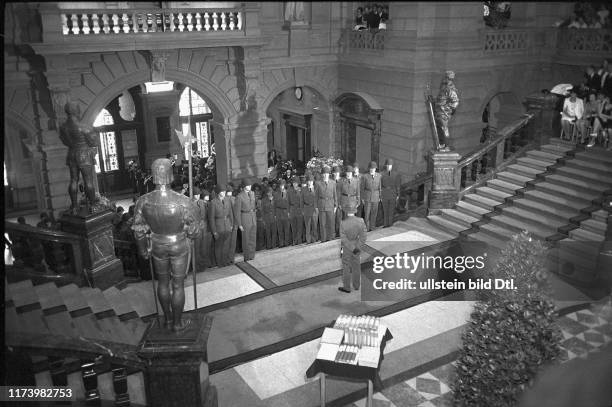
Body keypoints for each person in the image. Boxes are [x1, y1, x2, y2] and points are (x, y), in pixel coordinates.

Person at [132, 158, 199, 332]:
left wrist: (142, 249)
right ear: (170, 175)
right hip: (178, 245)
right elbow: (194, 231)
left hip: (157, 246)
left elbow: (138, 230)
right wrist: (187, 230)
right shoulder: (183, 201)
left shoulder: (143, 201)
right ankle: (177, 324)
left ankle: (168, 320)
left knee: (162, 283)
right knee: (177, 285)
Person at [59, 101, 99, 214]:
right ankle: (93, 205)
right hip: (84, 154)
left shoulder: (63, 127)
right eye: (78, 108)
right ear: (76, 111)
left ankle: (74, 206)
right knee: (88, 181)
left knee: (73, 180)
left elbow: (65, 141)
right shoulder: (84, 127)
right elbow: (94, 142)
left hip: (72, 153)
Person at [338, 204, 367, 293]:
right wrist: (357, 247)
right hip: (357, 246)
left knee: (346, 266)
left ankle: (347, 287)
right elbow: (363, 236)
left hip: (347, 247)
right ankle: (356, 285)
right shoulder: (361, 221)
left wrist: (351, 247)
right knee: (356, 266)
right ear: (355, 211)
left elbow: (343, 239)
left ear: (346, 212)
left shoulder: (343, 223)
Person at [434, 71, 460, 151]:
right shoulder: (443, 88)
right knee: (440, 129)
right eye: (445, 78)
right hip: (439, 112)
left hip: (444, 113)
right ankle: (443, 144)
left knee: (444, 128)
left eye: (447, 78)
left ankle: (447, 146)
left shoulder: (450, 90)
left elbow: (455, 102)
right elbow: (441, 100)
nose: (444, 80)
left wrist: (446, 108)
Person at [209, 184, 234, 267]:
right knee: (219, 246)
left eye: (224, 191)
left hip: (227, 225)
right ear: (218, 192)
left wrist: (231, 224)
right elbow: (211, 218)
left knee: (226, 246)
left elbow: (230, 213)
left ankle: (225, 261)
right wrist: (214, 231)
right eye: (222, 191)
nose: (224, 193)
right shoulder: (213, 202)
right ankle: (219, 263)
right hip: (218, 226)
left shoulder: (227, 200)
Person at [234, 179, 257, 261]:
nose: (249, 187)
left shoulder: (252, 193)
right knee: (246, 239)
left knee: (253, 238)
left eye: (250, 185)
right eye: (248, 185)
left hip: (253, 217)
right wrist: (239, 224)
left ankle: (252, 255)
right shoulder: (239, 196)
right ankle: (247, 257)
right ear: (243, 187)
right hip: (245, 217)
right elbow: (237, 212)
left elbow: (254, 206)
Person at [315, 165, 338, 242]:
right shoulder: (318, 184)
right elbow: (316, 196)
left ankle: (331, 237)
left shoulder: (333, 183)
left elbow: (335, 194)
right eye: (324, 174)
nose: (325, 175)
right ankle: (323, 238)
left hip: (330, 205)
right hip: (321, 205)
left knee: (331, 222)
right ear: (322, 175)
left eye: (327, 174)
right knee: (322, 223)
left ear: (329, 174)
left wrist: (335, 205)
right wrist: (316, 207)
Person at [194, 190, 213, 271]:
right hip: (196, 226)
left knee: (204, 246)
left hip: (204, 225)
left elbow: (208, 214)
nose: (197, 196)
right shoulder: (190, 203)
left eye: (198, 194)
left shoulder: (202, 202)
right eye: (196, 194)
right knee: (197, 247)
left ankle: (204, 264)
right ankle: (198, 266)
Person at [361, 161, 382, 231]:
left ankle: (372, 227)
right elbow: (362, 188)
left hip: (376, 197)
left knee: (374, 213)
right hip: (367, 197)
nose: (372, 169)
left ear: (376, 169)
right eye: (371, 168)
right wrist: (362, 198)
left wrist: (380, 197)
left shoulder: (379, 176)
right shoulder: (365, 176)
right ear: (369, 169)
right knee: (366, 214)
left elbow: (380, 187)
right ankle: (366, 228)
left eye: (374, 168)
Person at [381, 158, 401, 228]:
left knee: (391, 209)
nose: (389, 166)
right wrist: (380, 195)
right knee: (385, 210)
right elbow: (379, 185)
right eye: (388, 165)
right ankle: (386, 224)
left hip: (393, 193)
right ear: (386, 165)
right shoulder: (382, 174)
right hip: (384, 193)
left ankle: (390, 224)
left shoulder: (396, 174)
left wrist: (398, 194)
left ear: (392, 166)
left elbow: (398, 185)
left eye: (390, 165)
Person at [274, 179, 291, 247]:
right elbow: (274, 204)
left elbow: (289, 203)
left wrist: (289, 212)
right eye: (280, 185)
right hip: (278, 212)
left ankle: (286, 242)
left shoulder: (288, 193)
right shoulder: (275, 193)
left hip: (286, 211)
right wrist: (275, 214)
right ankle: (281, 243)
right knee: (280, 229)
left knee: (286, 228)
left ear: (284, 185)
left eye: (283, 185)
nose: (281, 186)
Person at [302, 175, 318, 244]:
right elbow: (301, 201)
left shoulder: (316, 189)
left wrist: (317, 208)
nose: (310, 182)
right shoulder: (303, 189)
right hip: (306, 208)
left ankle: (314, 239)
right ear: (307, 182)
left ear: (313, 181)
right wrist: (302, 210)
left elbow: (318, 199)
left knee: (314, 225)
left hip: (314, 209)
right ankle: (308, 240)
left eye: (311, 181)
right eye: (308, 181)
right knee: (307, 226)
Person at [288, 177, 304, 245]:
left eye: (296, 183)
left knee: (299, 226)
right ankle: (294, 241)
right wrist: (288, 211)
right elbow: (287, 202)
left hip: (299, 209)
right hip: (292, 209)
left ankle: (299, 240)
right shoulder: (289, 190)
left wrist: (303, 210)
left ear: (298, 183)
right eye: (294, 183)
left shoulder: (301, 190)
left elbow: (303, 200)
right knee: (293, 226)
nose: (295, 184)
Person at [226, 183, 238, 264]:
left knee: (231, 242)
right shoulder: (232, 199)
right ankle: (230, 258)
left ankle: (230, 258)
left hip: (232, 223)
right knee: (230, 242)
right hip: (230, 223)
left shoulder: (233, 199)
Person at [333, 166, 343, 238]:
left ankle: (339, 233)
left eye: (337, 173)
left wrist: (340, 203)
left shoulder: (342, 181)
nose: (336, 174)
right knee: (332, 219)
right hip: (332, 203)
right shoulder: (331, 181)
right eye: (335, 173)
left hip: (339, 203)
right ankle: (333, 234)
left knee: (339, 219)